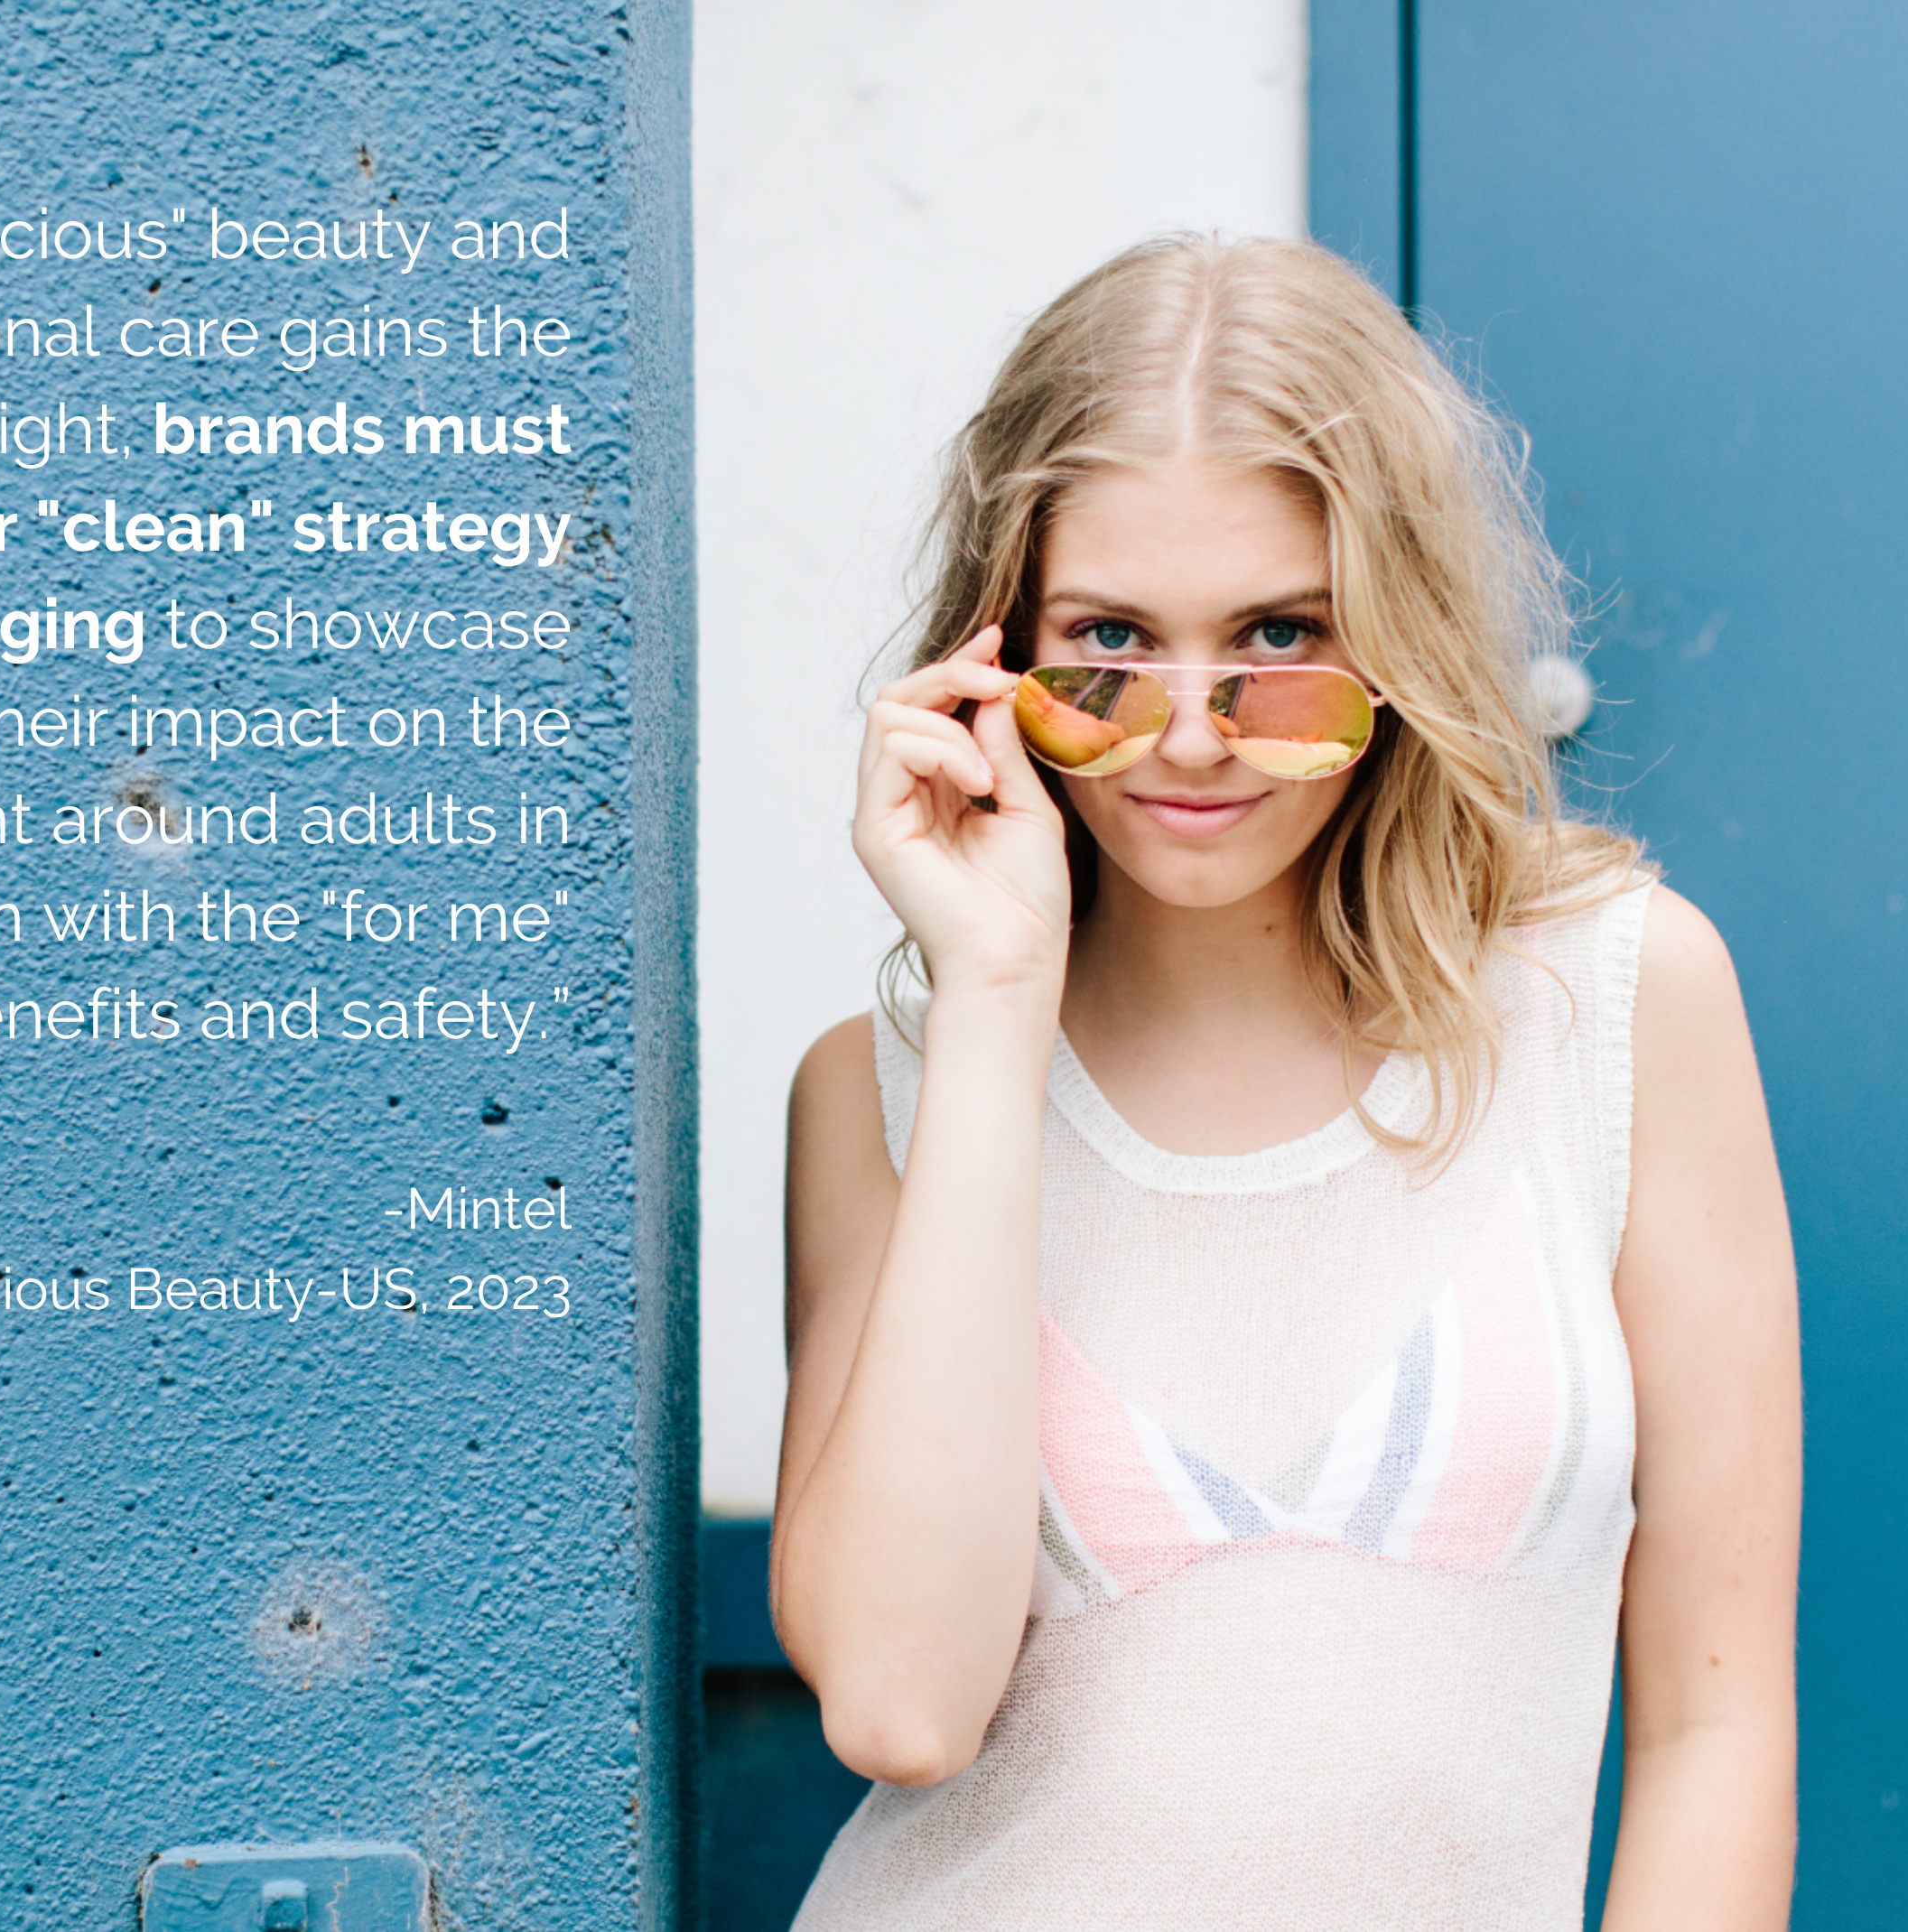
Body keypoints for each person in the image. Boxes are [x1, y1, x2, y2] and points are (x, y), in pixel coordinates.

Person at [770, 235, 1801, 1929]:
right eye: (1109, 640)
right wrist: (998, 999)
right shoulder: (882, 1089)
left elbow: (1717, 1729)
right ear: (996, 657)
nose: (1189, 733)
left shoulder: (1619, 1002)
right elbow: (900, 1702)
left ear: (1398, 639)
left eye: (1276, 634)